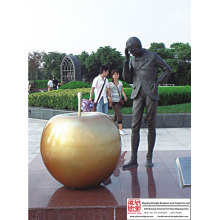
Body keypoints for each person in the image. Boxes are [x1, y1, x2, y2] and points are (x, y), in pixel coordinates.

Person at [122, 37, 172, 169]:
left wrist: (158, 83)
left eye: (133, 50)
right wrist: (126, 60)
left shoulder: (152, 56)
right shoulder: (131, 59)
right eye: (129, 51)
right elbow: (127, 78)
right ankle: (133, 159)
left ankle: (149, 158)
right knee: (134, 127)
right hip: (137, 94)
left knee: (151, 125)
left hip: (150, 93)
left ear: (139, 46)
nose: (131, 53)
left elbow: (168, 70)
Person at [109, 69, 127, 135]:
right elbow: (109, 92)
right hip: (114, 102)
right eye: (115, 74)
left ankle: (109, 126)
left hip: (119, 101)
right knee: (119, 115)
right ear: (112, 76)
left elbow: (122, 91)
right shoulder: (110, 84)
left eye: (117, 74)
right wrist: (109, 98)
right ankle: (120, 130)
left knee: (115, 117)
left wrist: (124, 96)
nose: (117, 75)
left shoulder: (120, 83)